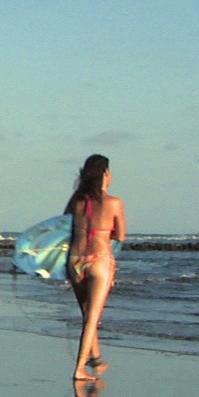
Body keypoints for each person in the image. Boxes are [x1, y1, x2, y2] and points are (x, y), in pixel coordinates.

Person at [65, 154, 125, 381]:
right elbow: (120, 235)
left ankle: (96, 358)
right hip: (100, 260)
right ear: (106, 174)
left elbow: (63, 226)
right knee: (92, 318)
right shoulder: (114, 202)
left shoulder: (76, 200)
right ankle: (80, 369)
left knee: (87, 313)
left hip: (75, 260)